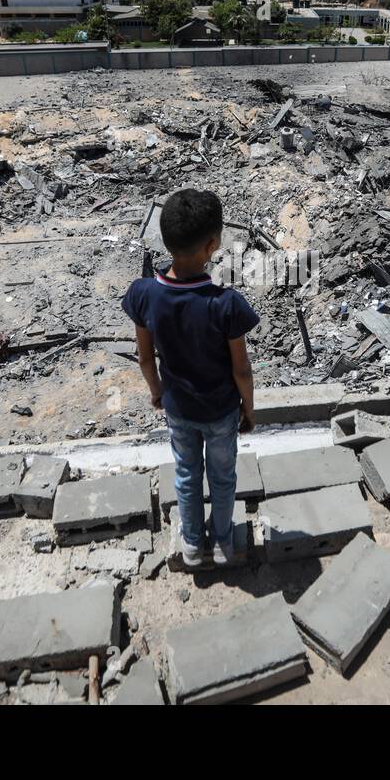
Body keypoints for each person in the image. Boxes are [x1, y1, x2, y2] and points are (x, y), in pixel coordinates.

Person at [122, 190, 259, 568]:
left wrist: (157, 393)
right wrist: (249, 409)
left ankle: (193, 546)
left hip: (178, 408)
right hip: (220, 412)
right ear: (213, 244)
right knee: (223, 477)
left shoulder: (145, 294)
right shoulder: (226, 304)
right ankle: (223, 542)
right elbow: (241, 369)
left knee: (186, 474)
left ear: (165, 239)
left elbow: (145, 357)